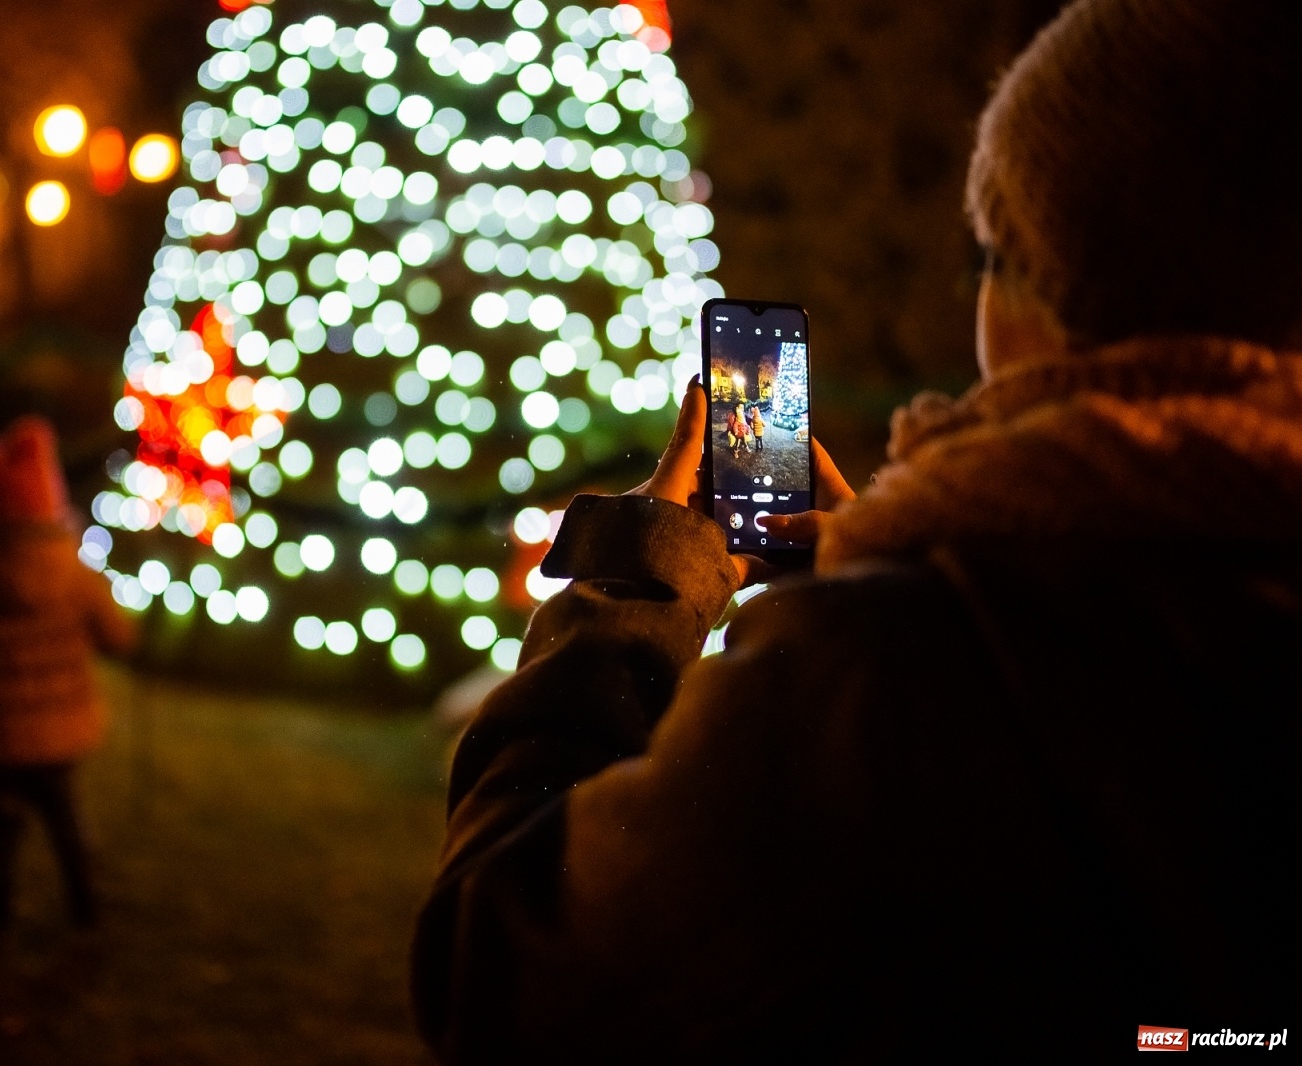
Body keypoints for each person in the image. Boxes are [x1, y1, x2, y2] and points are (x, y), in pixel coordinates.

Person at [410, 0, 1300, 1059]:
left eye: (987, 257)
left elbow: (506, 969)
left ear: (1032, 282)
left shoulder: (890, 671)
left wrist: (642, 600)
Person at [0, 416, 136, 954]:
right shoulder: (78, 574)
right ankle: (85, 905)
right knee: (66, 818)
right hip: (62, 730)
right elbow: (115, 636)